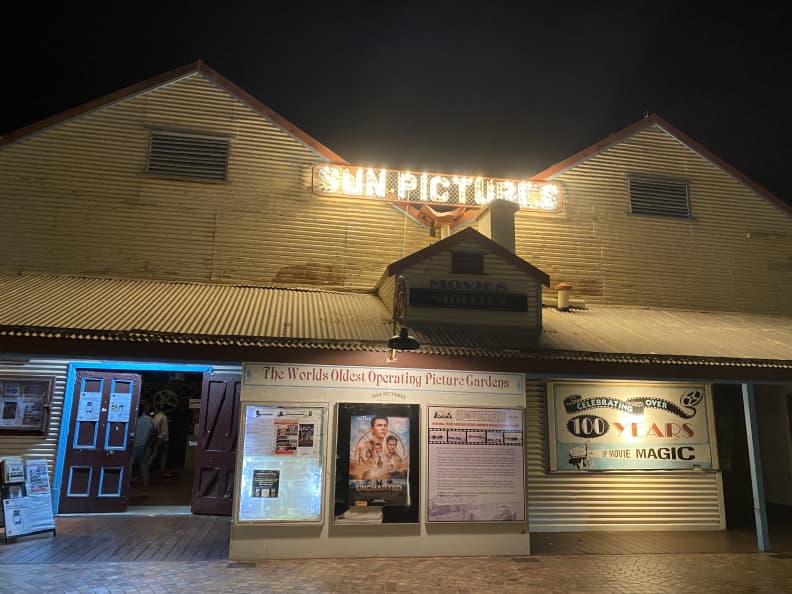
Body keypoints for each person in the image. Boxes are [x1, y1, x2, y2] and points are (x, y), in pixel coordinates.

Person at [131, 402, 153, 494]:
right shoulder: (149, 419)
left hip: (133, 446)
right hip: (145, 446)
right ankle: (145, 490)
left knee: (129, 467)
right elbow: (154, 432)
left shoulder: (133, 419)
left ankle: (125, 490)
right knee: (144, 468)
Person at [148, 404, 172, 478]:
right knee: (163, 455)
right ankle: (162, 471)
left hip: (155, 438)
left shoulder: (155, 417)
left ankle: (145, 468)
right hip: (163, 439)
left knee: (154, 454)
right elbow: (165, 431)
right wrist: (163, 440)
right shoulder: (164, 417)